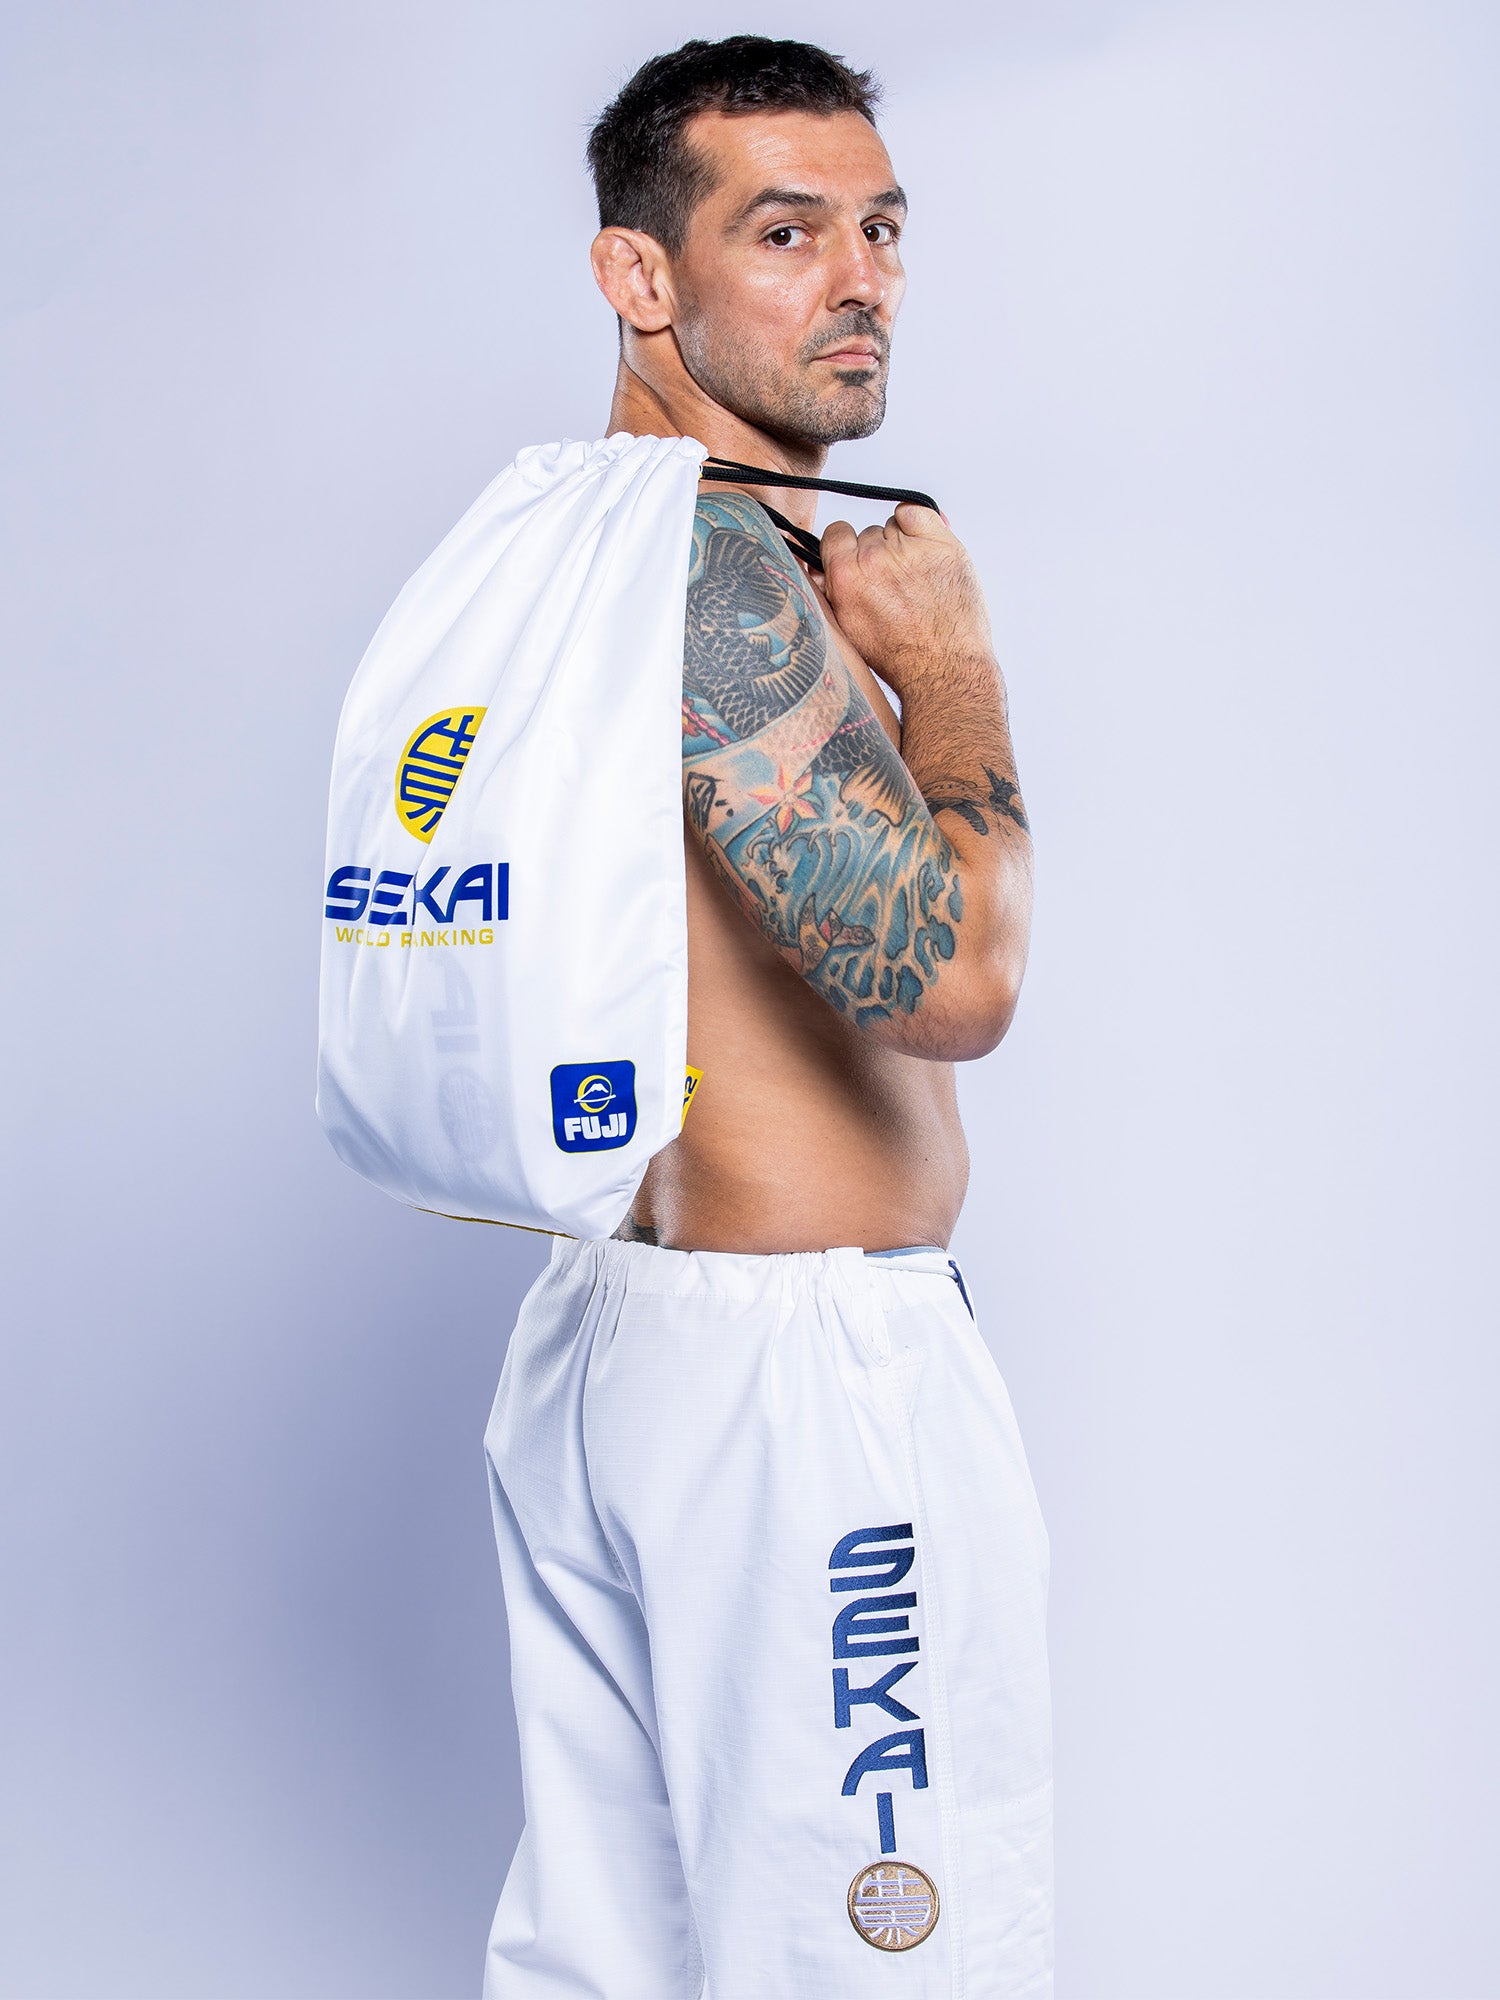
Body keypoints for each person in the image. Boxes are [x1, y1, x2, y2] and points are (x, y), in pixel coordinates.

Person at [482, 36, 1051, 1998]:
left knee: (615, 1961)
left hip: (616, 1343)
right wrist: (956, 673)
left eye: (882, 228)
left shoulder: (567, 538)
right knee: (883, 1961)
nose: (860, 279)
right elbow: (952, 980)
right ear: (639, 278)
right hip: (797, 1382)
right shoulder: (720, 579)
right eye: (786, 231)